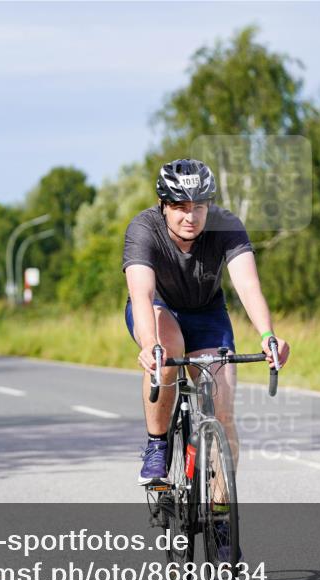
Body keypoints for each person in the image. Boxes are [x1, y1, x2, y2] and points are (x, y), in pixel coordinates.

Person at [123, 158, 291, 488]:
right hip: (160, 310)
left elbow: (247, 284)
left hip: (208, 314)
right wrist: (149, 344)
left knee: (223, 412)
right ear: (163, 205)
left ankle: (221, 514)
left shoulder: (226, 225)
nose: (191, 216)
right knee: (167, 349)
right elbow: (141, 294)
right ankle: (157, 445)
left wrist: (268, 334)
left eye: (199, 206)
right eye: (180, 206)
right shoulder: (143, 229)